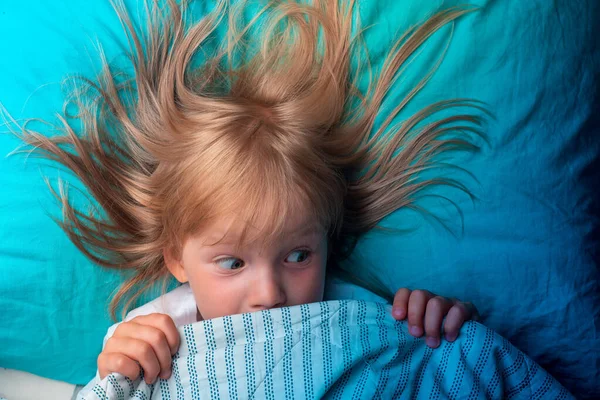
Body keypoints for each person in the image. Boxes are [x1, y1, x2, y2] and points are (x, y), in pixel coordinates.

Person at [14, 0, 483, 386]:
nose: (269, 294)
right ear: (177, 259)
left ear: (326, 239)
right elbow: (116, 380)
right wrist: (115, 360)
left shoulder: (351, 310)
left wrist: (439, 320)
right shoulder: (160, 327)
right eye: (234, 263)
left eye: (298, 256)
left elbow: (423, 365)